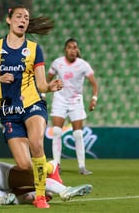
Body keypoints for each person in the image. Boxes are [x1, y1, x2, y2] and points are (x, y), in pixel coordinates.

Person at [0, 5, 64, 208]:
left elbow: (42, 84)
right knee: (25, 165)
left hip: (32, 103)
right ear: (9, 20)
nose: (23, 20)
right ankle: (49, 167)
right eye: (19, 16)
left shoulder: (35, 49)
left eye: (26, 18)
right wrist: (0, 77)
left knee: (36, 144)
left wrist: (51, 87)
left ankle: (40, 196)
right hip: (9, 110)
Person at [47, 38, 99, 175]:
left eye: (75, 47)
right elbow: (47, 79)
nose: (72, 50)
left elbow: (94, 84)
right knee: (57, 132)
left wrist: (94, 99)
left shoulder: (83, 65)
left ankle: (82, 166)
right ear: (65, 49)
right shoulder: (57, 63)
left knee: (78, 134)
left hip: (76, 101)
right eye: (70, 47)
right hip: (60, 99)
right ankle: (56, 166)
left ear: (77, 50)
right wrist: (42, 93)